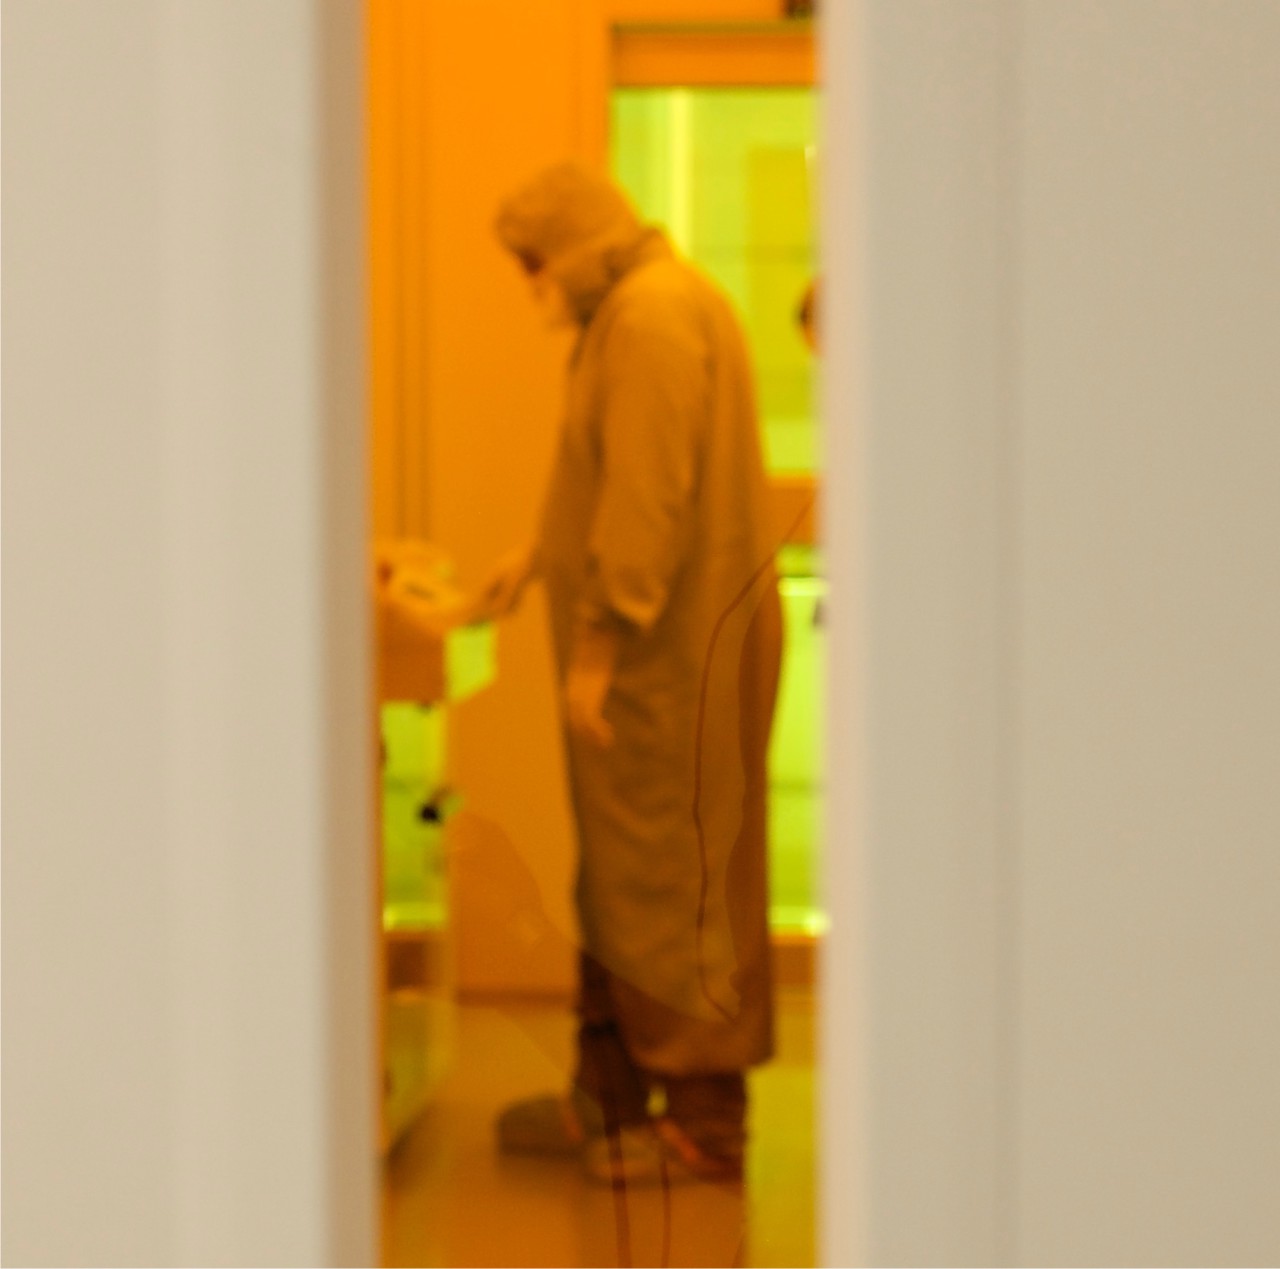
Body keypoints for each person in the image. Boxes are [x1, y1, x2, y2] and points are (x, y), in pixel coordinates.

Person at [473, 163, 782, 1185]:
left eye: (528, 262)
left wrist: (600, 641)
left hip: (667, 656)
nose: (527, 283)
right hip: (663, 646)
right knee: (619, 876)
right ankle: (605, 1094)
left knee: (672, 884)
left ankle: (701, 1121)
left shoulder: (650, 319)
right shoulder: (640, 308)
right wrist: (534, 558)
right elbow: (604, 476)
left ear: (571, 245)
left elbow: (647, 498)